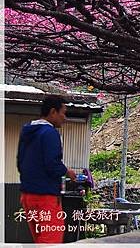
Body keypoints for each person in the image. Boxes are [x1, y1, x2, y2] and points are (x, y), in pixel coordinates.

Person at [17, 96, 76, 244]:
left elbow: (20, 162)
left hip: (27, 196)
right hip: (46, 197)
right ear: (53, 112)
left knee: (40, 240)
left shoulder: (27, 132)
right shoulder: (50, 133)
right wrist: (67, 172)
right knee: (51, 240)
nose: (65, 118)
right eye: (63, 113)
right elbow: (52, 164)